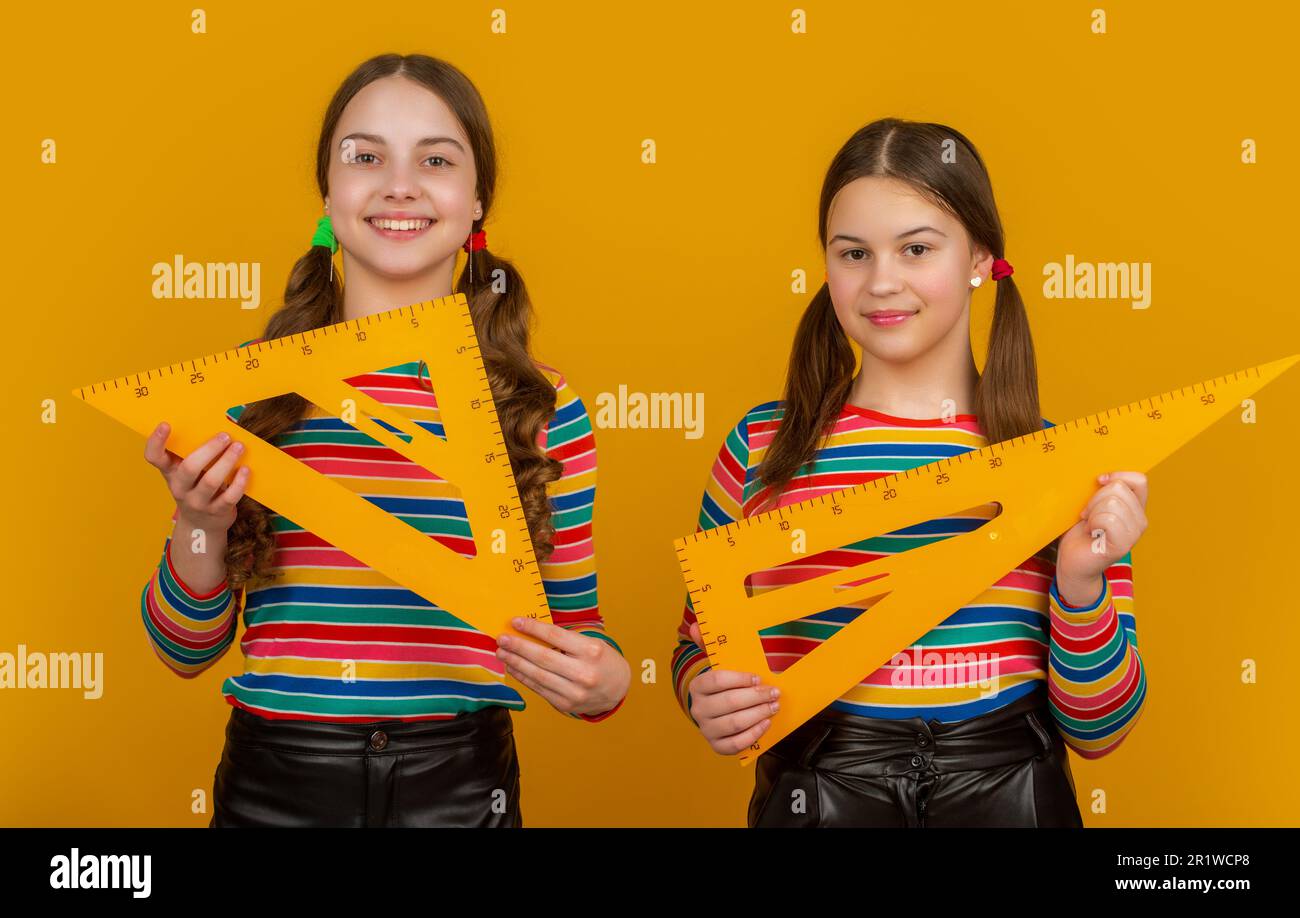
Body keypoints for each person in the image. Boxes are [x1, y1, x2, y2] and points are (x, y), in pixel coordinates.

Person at [140, 53, 629, 828]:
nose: (399, 185)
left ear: (476, 203)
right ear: (329, 196)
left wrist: (606, 682)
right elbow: (183, 651)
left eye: (435, 160)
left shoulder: (543, 407)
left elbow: (579, 636)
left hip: (463, 789)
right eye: (365, 157)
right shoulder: (250, 392)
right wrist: (199, 524)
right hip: (274, 786)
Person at [671, 117, 1148, 827]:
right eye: (854, 253)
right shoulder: (760, 448)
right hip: (818, 796)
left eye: (917, 248)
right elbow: (696, 645)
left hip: (1012, 796)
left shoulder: (1061, 468)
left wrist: (1080, 584)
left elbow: (1100, 731)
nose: (881, 282)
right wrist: (704, 693)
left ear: (981, 259)